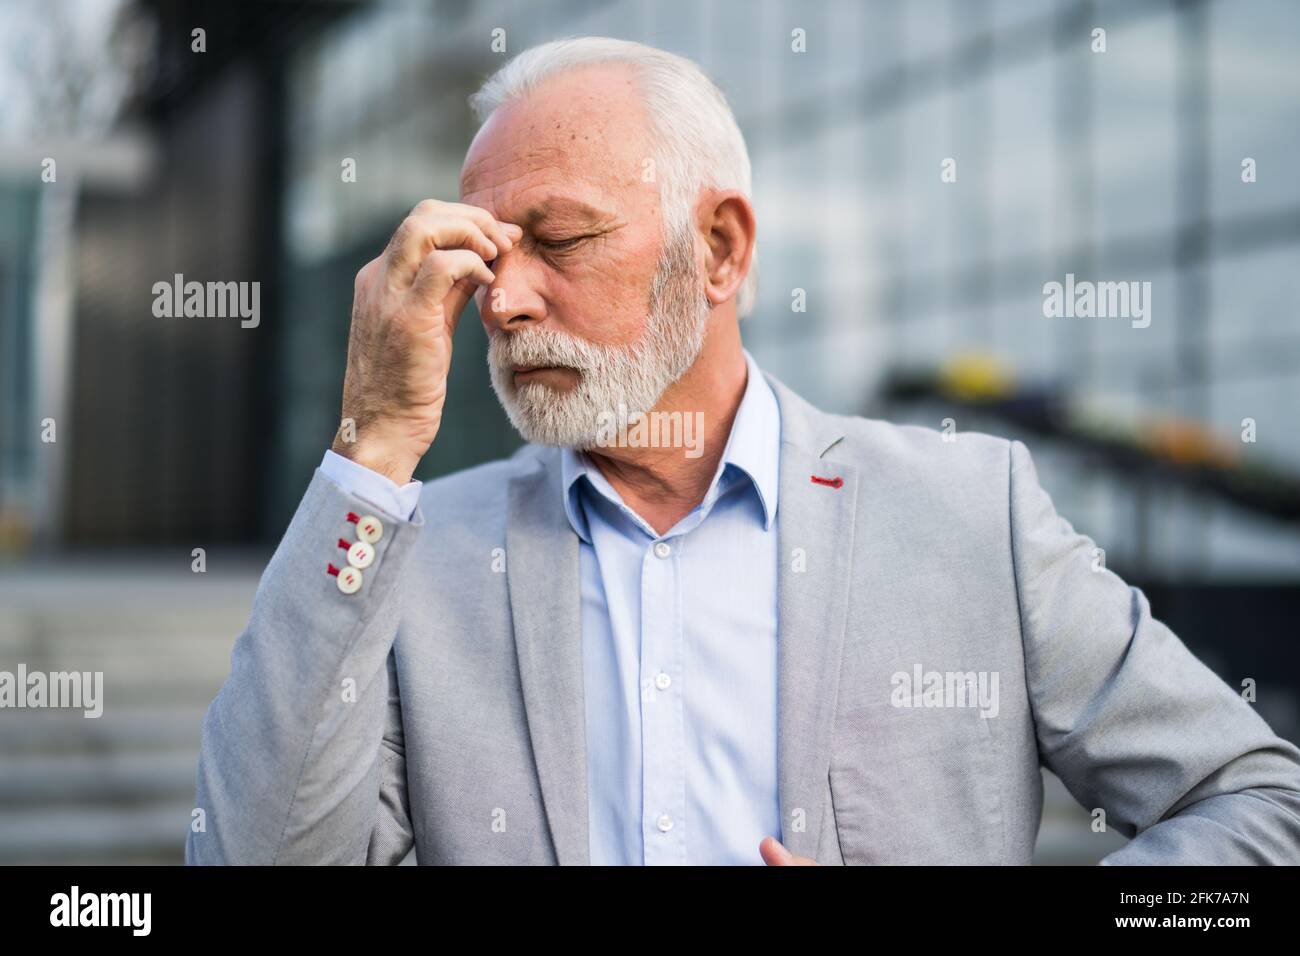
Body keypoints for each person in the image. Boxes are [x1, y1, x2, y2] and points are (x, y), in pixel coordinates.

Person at [186, 37, 1300, 866]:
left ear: (718, 248)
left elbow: (1256, 805)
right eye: (487, 261)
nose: (505, 302)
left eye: (560, 240)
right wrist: (372, 445)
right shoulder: (414, 556)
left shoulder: (971, 515)